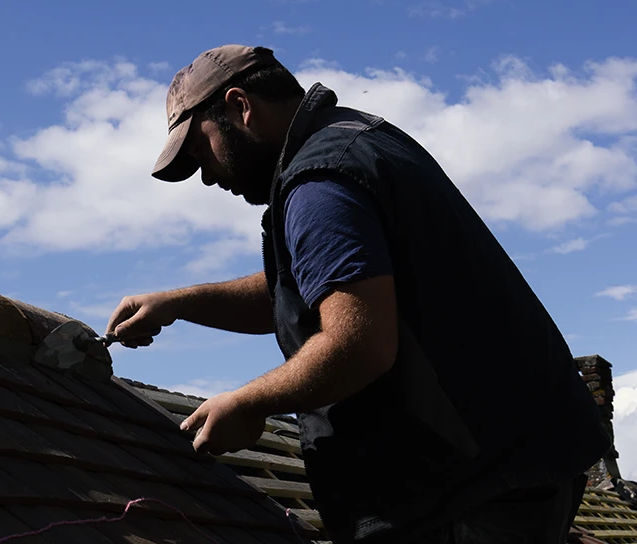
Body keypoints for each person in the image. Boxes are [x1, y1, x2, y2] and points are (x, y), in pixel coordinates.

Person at [106, 45, 610, 543]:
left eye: (200, 151)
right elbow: (317, 285)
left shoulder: (320, 181)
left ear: (241, 107)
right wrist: (178, 303)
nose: (208, 177)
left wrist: (247, 404)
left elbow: (359, 343)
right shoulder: (356, 138)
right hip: (515, 471)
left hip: (467, 494)